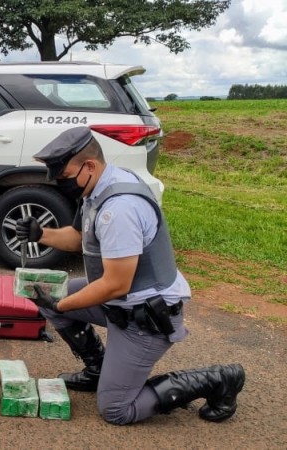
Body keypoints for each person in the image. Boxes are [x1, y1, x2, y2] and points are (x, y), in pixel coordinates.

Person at [16, 127, 245, 425]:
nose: (57, 182)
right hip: (120, 304)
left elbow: (115, 283)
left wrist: (62, 305)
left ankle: (217, 379)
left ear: (89, 166)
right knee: (45, 293)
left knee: (116, 410)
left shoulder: (119, 209)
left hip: (145, 319)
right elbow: (77, 238)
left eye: (62, 175)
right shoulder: (99, 186)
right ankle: (97, 369)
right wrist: (41, 233)